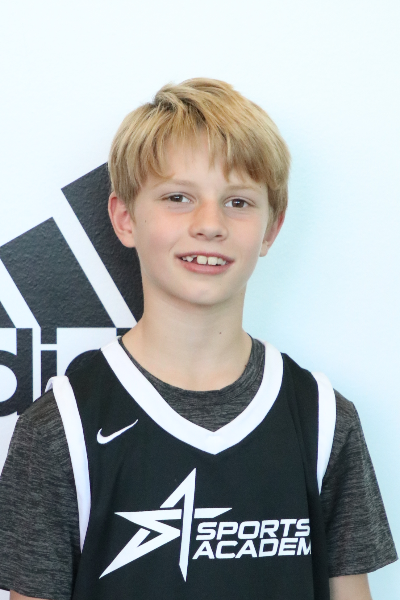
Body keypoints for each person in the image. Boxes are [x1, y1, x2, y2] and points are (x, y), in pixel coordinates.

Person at [0, 78, 397, 600]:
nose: (210, 224)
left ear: (271, 229)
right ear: (125, 218)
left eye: (238, 201)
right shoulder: (62, 426)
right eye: (178, 197)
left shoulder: (323, 419)